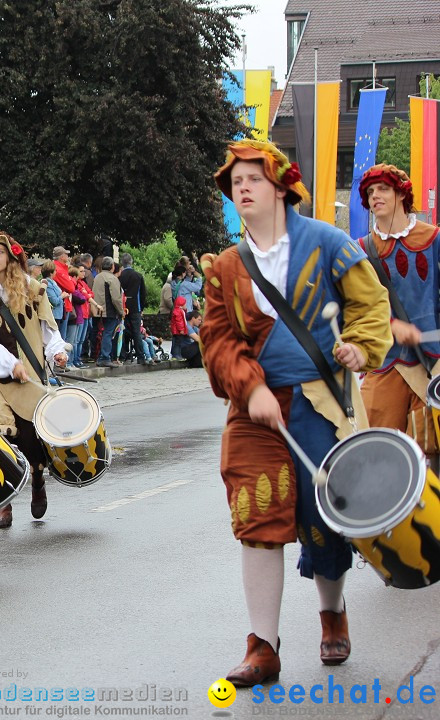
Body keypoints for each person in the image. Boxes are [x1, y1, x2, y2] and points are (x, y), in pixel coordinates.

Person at [200, 139, 392, 686]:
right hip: (253, 409)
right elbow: (217, 342)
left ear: (282, 187)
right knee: (256, 517)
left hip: (320, 403)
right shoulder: (226, 267)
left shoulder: (330, 243)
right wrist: (249, 386)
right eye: (235, 182)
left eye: (253, 179)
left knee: (324, 519)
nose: (242, 188)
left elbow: (370, 304)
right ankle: (263, 645)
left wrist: (357, 344)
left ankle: (331, 611)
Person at [0, 232, 68, 528]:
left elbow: (49, 331)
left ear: (11, 256)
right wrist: (9, 364)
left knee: (30, 440)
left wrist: (57, 353)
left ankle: (37, 480)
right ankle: (5, 503)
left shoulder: (34, 289)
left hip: (31, 377)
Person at [355, 164, 440, 459]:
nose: (374, 195)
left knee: (428, 452)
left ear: (401, 194)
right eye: (370, 192)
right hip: (385, 362)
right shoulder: (362, 250)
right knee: (374, 450)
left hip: (431, 364)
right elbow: (358, 307)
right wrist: (390, 325)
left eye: (383, 189)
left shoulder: (434, 239)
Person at [91, 257, 124, 367]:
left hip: (97, 310)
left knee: (98, 333)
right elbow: (116, 298)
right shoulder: (112, 279)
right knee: (108, 334)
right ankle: (105, 357)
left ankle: (97, 356)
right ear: (112, 266)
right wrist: (121, 311)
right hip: (109, 311)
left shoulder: (97, 277)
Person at [169, 295, 188, 360]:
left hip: (176, 330)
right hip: (178, 331)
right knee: (178, 343)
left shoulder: (179, 310)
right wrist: (181, 329)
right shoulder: (178, 311)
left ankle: (175, 354)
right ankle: (176, 354)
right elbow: (179, 322)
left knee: (176, 342)